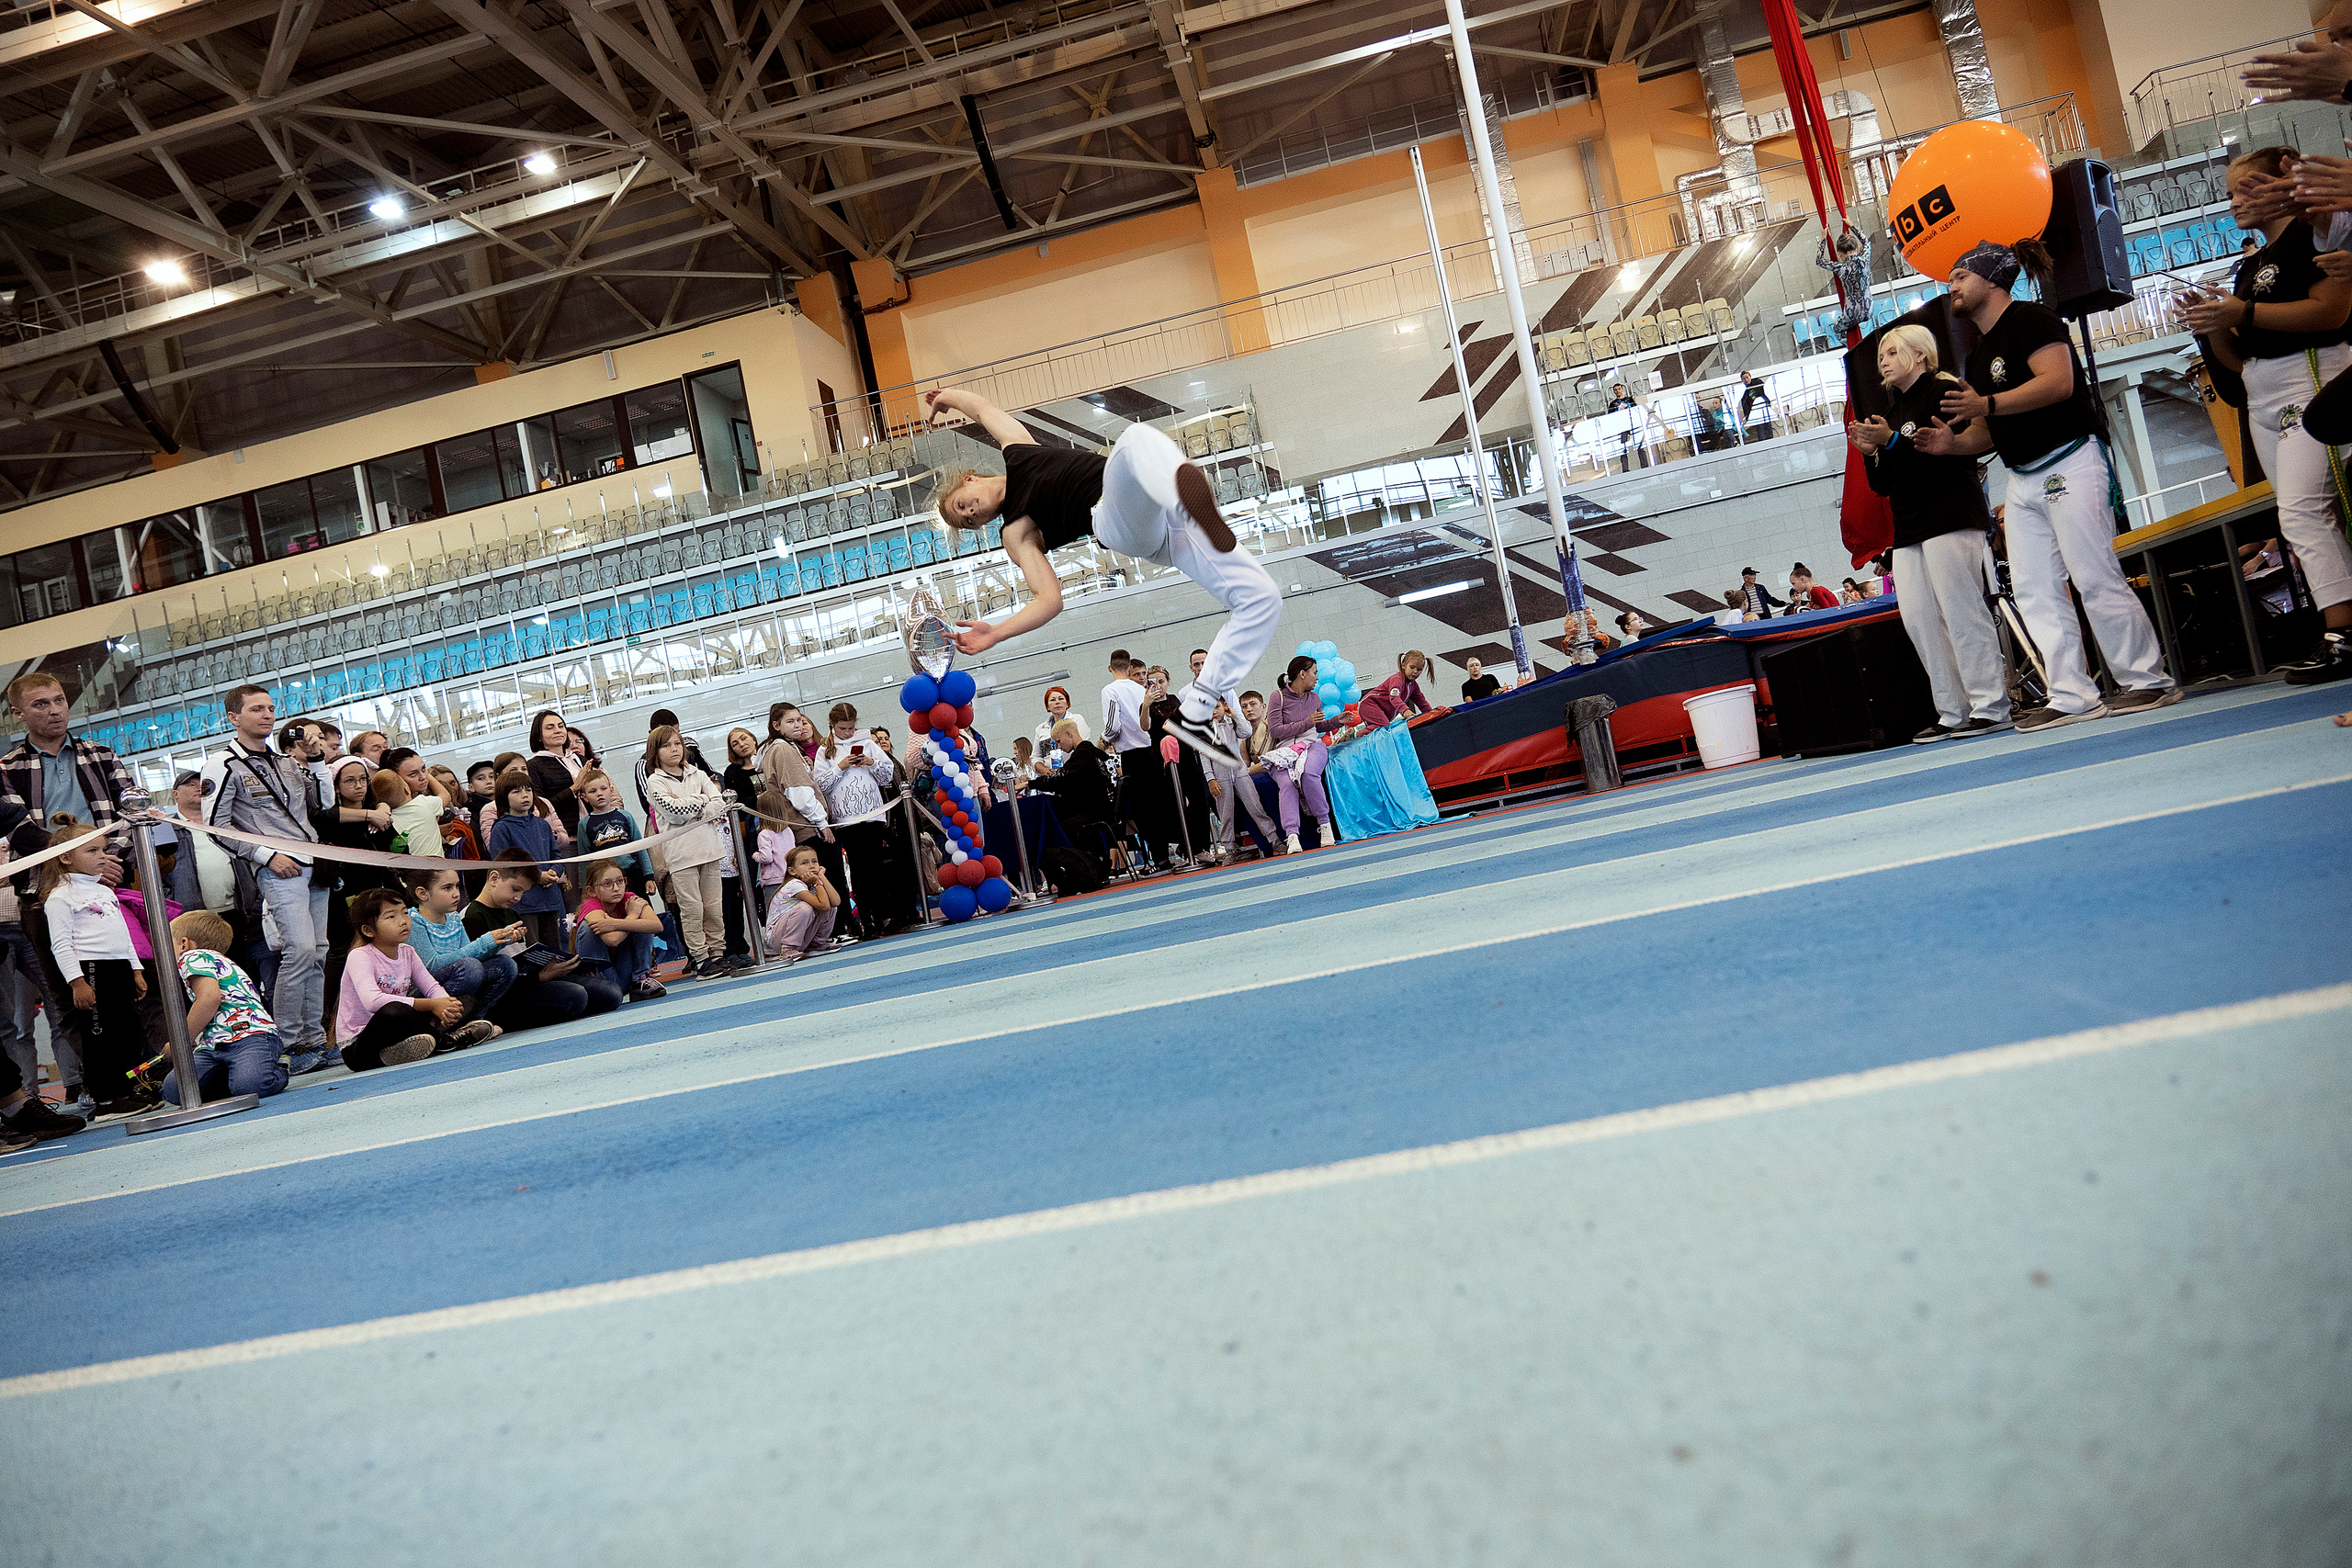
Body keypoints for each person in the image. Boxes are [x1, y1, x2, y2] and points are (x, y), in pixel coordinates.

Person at [924, 385, 1281, 772]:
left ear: (970, 479)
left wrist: (946, 397)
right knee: (1132, 441)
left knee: (1262, 599)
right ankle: (1185, 491)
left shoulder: (1020, 449)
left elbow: (982, 409)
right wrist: (996, 632)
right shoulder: (1015, 532)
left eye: (964, 505)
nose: (973, 514)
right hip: (1117, 519)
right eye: (969, 521)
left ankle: (1197, 710)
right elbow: (1049, 599)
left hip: (1174, 527)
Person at [1916, 241, 2177, 728]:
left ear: (1991, 280)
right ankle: (2072, 693)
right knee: (2035, 589)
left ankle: (2146, 679)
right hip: (2022, 476)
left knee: (2093, 574)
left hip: (2069, 459)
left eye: (1959, 276)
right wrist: (1951, 445)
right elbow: (1990, 432)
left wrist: (1987, 407)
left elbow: (2058, 383)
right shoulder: (1977, 356)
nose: (1949, 286)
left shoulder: (2032, 319)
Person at [2180, 147, 2352, 686]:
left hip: (2313, 375)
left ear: (2281, 177)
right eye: (2230, 193)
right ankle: (2338, 624)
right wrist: (2211, 324)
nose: (2234, 203)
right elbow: (2236, 362)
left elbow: (2332, 311)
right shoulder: (2250, 266)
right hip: (2262, 392)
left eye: (2243, 190)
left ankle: (2341, 634)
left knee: (2306, 509)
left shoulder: (2311, 236)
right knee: (2297, 516)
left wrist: (2244, 312)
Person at [1848, 323, 2015, 743]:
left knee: (1961, 612)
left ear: (1920, 354)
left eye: (1890, 351)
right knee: (1920, 620)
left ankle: (1991, 704)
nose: (1882, 360)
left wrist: (1891, 444)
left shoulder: (1942, 393)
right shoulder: (1894, 410)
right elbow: (1886, 485)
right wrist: (1874, 453)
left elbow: (1947, 456)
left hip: (1949, 514)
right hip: (1909, 525)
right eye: (1880, 354)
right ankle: (1952, 710)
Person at [201, 683, 334, 1067]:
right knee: (300, 950)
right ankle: (290, 1042)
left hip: (314, 864)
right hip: (279, 868)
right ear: (234, 717)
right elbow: (215, 826)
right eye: (257, 709)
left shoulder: (285, 762)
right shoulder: (223, 764)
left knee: (319, 951)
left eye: (271, 708)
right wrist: (265, 856)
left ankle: (313, 1040)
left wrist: (318, 761)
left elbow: (322, 806)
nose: (267, 715)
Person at [38, 823, 159, 1118]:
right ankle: (104, 1101)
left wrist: (135, 970)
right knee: (99, 1037)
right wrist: (77, 982)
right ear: (65, 857)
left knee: (127, 1032)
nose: (103, 856)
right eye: (92, 850)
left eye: (104, 849)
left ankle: (127, 1090)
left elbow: (123, 935)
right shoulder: (60, 897)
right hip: (90, 970)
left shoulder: (105, 892)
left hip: (118, 969)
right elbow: (61, 945)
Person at [337, 888, 496, 1070]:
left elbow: (431, 987)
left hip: (398, 1035)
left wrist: (445, 1006)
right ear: (368, 930)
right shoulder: (360, 955)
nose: (403, 921)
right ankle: (447, 1041)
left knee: (466, 1001)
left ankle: (414, 1046)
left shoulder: (407, 952)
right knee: (395, 1010)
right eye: (391, 917)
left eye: (405, 913)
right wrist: (432, 1005)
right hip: (361, 1048)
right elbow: (372, 1002)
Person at [161, 909, 288, 1107]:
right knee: (175, 1090)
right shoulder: (218, 960)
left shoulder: (191, 957)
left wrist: (179, 1042)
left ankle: (278, 1069)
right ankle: (234, 1077)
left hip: (250, 1036)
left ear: (184, 944)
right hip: (214, 1044)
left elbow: (209, 999)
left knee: (253, 1086)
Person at [813, 704, 912, 935]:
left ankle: (883, 917)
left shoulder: (867, 742)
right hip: (846, 820)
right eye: (842, 728)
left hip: (873, 816)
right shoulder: (824, 750)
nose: (847, 732)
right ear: (832, 725)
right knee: (858, 870)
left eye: (850, 728)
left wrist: (870, 762)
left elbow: (887, 775)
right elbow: (821, 785)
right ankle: (866, 919)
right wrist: (840, 766)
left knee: (876, 867)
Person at [760, 702, 854, 942]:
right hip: (808, 827)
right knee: (826, 878)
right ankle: (837, 930)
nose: (798, 725)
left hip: (806, 825)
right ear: (776, 726)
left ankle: (834, 930)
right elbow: (797, 792)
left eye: (800, 720)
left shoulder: (786, 748)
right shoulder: (781, 749)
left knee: (825, 879)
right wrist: (821, 822)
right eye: (790, 721)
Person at [461, 861, 597, 1027]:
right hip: (506, 995)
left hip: (528, 982)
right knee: (576, 996)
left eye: (523, 892)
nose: (518, 898)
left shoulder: (513, 914)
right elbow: (485, 977)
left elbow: (525, 961)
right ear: (494, 878)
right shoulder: (471, 916)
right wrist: (541, 977)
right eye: (515, 889)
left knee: (607, 994)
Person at [643, 723, 730, 976]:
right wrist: (703, 802)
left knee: (714, 907)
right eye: (666, 745)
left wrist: (699, 806)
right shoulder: (655, 782)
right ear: (655, 751)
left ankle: (717, 953)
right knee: (692, 910)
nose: (674, 749)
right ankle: (701, 959)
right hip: (681, 856)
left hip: (710, 849)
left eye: (677, 744)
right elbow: (675, 813)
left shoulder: (699, 774)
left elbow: (720, 804)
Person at [401, 866, 521, 1027]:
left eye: (457, 886)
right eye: (447, 888)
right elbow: (431, 965)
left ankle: (475, 1019)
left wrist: (499, 942)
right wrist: (484, 942)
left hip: (458, 975)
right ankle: (434, 1023)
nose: (456, 893)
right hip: (424, 993)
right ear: (423, 893)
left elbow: (471, 955)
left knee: (506, 965)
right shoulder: (414, 921)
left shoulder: (453, 918)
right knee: (470, 968)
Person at [484, 772, 568, 950]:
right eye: (516, 791)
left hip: (551, 898)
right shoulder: (501, 828)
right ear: (503, 797)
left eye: (528, 790)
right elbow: (503, 866)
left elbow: (556, 855)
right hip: (524, 902)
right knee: (533, 950)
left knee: (555, 949)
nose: (525, 795)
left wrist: (555, 872)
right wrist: (537, 876)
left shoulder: (543, 825)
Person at [1265, 656, 1340, 853]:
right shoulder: (1277, 696)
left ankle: (1325, 826)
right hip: (1285, 749)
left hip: (1312, 744)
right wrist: (1307, 722)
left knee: (1308, 774)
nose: (1317, 678)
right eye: (1314, 673)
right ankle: (1292, 836)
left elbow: (1319, 726)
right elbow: (1275, 731)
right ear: (1302, 674)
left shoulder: (1315, 698)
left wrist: (1338, 721)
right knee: (1287, 784)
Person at [575, 860, 667, 998]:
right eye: (607, 884)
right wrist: (631, 916)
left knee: (644, 924)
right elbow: (612, 940)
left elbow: (657, 926)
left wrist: (616, 923)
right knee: (587, 929)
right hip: (602, 977)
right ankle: (594, 984)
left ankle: (640, 980)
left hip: (624, 973)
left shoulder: (630, 899)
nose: (616, 888)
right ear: (591, 891)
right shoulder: (590, 905)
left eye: (620, 881)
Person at [1204, 696, 1279, 861]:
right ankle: (1230, 849)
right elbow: (1204, 757)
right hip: (1220, 777)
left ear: (1224, 706)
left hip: (1240, 773)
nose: (1214, 712)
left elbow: (1247, 732)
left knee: (1256, 807)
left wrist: (1235, 715)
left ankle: (1274, 840)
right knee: (1226, 815)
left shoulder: (1233, 725)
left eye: (1217, 707)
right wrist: (1211, 779)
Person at [761, 843, 841, 961]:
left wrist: (821, 877)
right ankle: (787, 949)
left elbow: (835, 902)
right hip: (777, 942)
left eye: (814, 861)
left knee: (830, 906)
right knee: (805, 908)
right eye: (805, 863)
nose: (812, 866)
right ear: (792, 871)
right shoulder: (794, 885)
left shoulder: (811, 883)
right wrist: (817, 882)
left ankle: (816, 945)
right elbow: (823, 906)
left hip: (799, 938)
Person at [523, 710, 583, 835]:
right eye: (550, 728)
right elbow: (541, 807)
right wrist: (574, 789)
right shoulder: (533, 765)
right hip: (567, 833)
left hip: (593, 829)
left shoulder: (578, 759)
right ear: (539, 736)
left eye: (561, 726)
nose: (558, 730)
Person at [1357, 651, 1433, 728]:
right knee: (1385, 728)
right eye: (1412, 667)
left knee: (1382, 728)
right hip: (1369, 704)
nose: (1415, 672)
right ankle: (1355, 735)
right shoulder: (1397, 679)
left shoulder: (1413, 685)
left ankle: (1353, 733)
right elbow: (1394, 698)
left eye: (1419, 669)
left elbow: (1422, 703)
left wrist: (1432, 714)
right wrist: (1405, 711)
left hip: (1379, 708)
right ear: (1403, 665)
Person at [1036, 685, 1088, 751]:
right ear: (1047, 707)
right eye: (1053, 700)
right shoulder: (1040, 729)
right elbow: (1036, 756)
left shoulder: (1076, 719)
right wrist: (1039, 762)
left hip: (1075, 760)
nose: (1057, 702)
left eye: (1061, 699)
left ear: (1067, 704)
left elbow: (1083, 744)